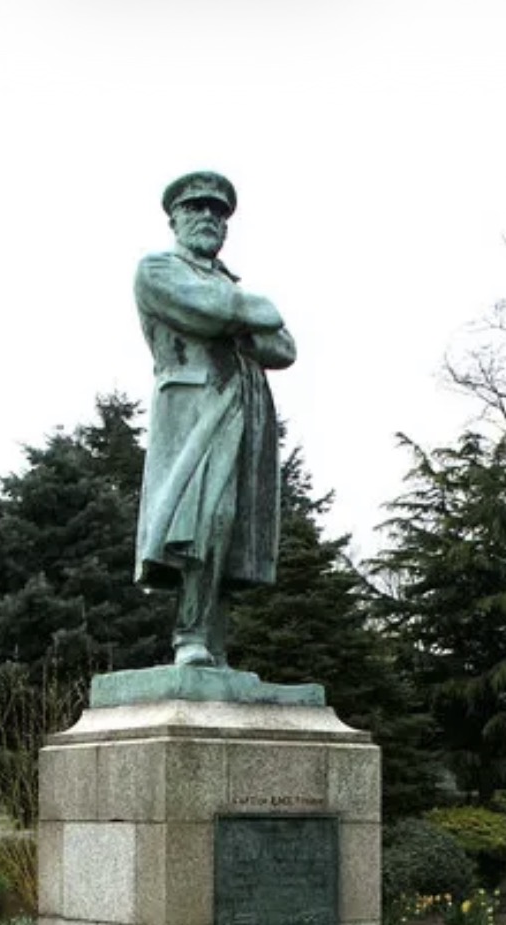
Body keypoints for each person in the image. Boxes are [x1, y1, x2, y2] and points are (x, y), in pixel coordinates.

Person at [134, 170, 296, 667]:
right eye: (196, 208)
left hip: (246, 407)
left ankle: (214, 646)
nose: (208, 217)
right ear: (175, 219)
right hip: (195, 407)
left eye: (218, 212)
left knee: (235, 531)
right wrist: (245, 315)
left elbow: (283, 347)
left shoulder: (228, 284)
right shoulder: (158, 269)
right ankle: (190, 636)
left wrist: (235, 316)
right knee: (205, 519)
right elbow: (208, 313)